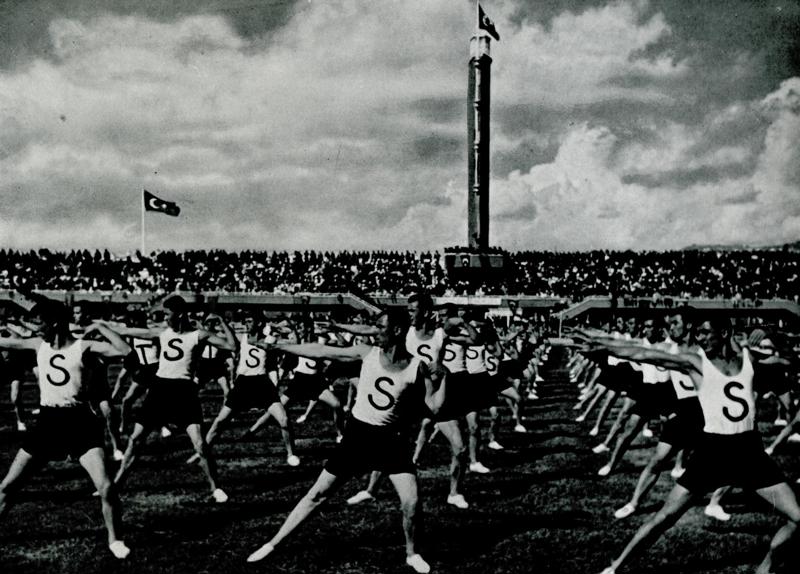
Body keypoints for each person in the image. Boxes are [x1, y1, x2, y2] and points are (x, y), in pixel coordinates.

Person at [586, 317, 800, 574]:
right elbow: (645, 353)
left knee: (798, 517)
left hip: (750, 452)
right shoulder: (696, 362)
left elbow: (788, 357)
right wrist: (603, 345)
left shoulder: (749, 358)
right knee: (664, 518)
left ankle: (765, 568)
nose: (701, 338)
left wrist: (763, 332)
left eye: (707, 333)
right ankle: (615, 567)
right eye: (698, 333)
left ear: (725, 332)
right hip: (713, 453)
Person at [245, 308, 447, 574]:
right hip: (358, 436)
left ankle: (412, 553)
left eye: (380, 327)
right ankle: (272, 543)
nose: (375, 331)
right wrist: (280, 347)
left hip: (391, 441)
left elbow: (433, 408)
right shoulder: (367, 353)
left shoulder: (415, 367)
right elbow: (321, 351)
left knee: (411, 502)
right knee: (317, 494)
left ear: (397, 331)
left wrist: (444, 377)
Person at [0, 300, 132, 559]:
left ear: (55, 323)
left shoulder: (84, 347)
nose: (34, 329)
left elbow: (124, 350)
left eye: (39, 323)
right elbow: (4, 342)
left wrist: (100, 326)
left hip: (80, 424)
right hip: (48, 424)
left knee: (106, 487)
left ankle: (115, 540)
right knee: (7, 486)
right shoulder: (38, 345)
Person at [110, 295, 236, 503]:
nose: (164, 318)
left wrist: (222, 321)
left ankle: (216, 488)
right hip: (159, 389)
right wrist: (102, 327)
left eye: (167, 314)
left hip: (184, 391)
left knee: (200, 445)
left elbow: (232, 347)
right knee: (135, 440)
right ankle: (116, 484)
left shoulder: (199, 335)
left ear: (180, 314)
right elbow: (129, 331)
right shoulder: (162, 332)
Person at [192, 313, 300, 466]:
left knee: (284, 419)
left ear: (260, 323)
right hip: (243, 383)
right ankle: (201, 452)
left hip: (262, 383)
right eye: (246, 321)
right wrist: (222, 321)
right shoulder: (242, 337)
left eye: (251, 320)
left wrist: (290, 323)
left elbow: (293, 342)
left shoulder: (269, 339)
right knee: (220, 421)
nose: (248, 324)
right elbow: (231, 342)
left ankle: (291, 453)